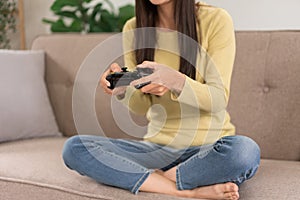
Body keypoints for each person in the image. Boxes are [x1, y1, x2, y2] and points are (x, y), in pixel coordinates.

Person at [62, 0, 260, 199]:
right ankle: (188, 190)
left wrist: (174, 80)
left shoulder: (216, 20)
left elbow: (218, 99)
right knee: (76, 148)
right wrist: (123, 90)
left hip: (208, 149)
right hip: (156, 150)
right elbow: (141, 107)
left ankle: (156, 179)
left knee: (244, 152)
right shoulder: (134, 28)